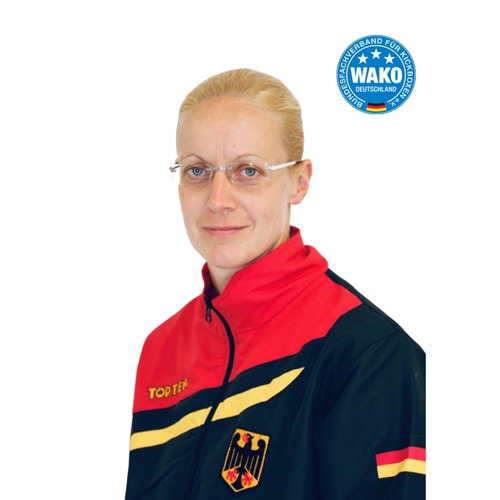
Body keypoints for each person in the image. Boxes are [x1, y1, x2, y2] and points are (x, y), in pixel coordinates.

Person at [125, 68, 425, 499]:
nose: (218, 199)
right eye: (197, 170)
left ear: (299, 182)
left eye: (248, 170)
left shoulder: (366, 352)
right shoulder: (162, 348)